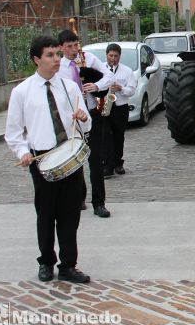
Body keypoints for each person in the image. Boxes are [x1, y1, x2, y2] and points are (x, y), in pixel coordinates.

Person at [5, 36, 92, 283]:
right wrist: (23, 153)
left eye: (57, 54)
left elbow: (86, 126)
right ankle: (46, 261)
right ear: (37, 59)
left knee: (70, 215)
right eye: (50, 55)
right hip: (42, 161)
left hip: (70, 160)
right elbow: (13, 132)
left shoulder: (70, 87)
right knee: (46, 215)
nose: (56, 59)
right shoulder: (22, 91)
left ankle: (68, 265)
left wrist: (83, 118)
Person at [57, 29, 114, 218]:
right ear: (61, 48)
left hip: (92, 114)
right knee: (74, 160)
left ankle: (99, 203)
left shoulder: (88, 58)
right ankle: (78, 198)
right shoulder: (59, 66)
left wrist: (96, 86)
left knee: (95, 160)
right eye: (69, 47)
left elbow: (109, 76)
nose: (74, 50)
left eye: (76, 45)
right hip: (71, 119)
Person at [102, 43, 137, 177]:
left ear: (120, 56)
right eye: (111, 55)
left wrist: (121, 89)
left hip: (120, 107)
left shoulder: (127, 71)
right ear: (107, 55)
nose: (113, 58)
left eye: (116, 56)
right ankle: (107, 165)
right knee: (105, 136)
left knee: (118, 136)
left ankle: (118, 163)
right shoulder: (100, 69)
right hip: (105, 106)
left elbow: (132, 90)